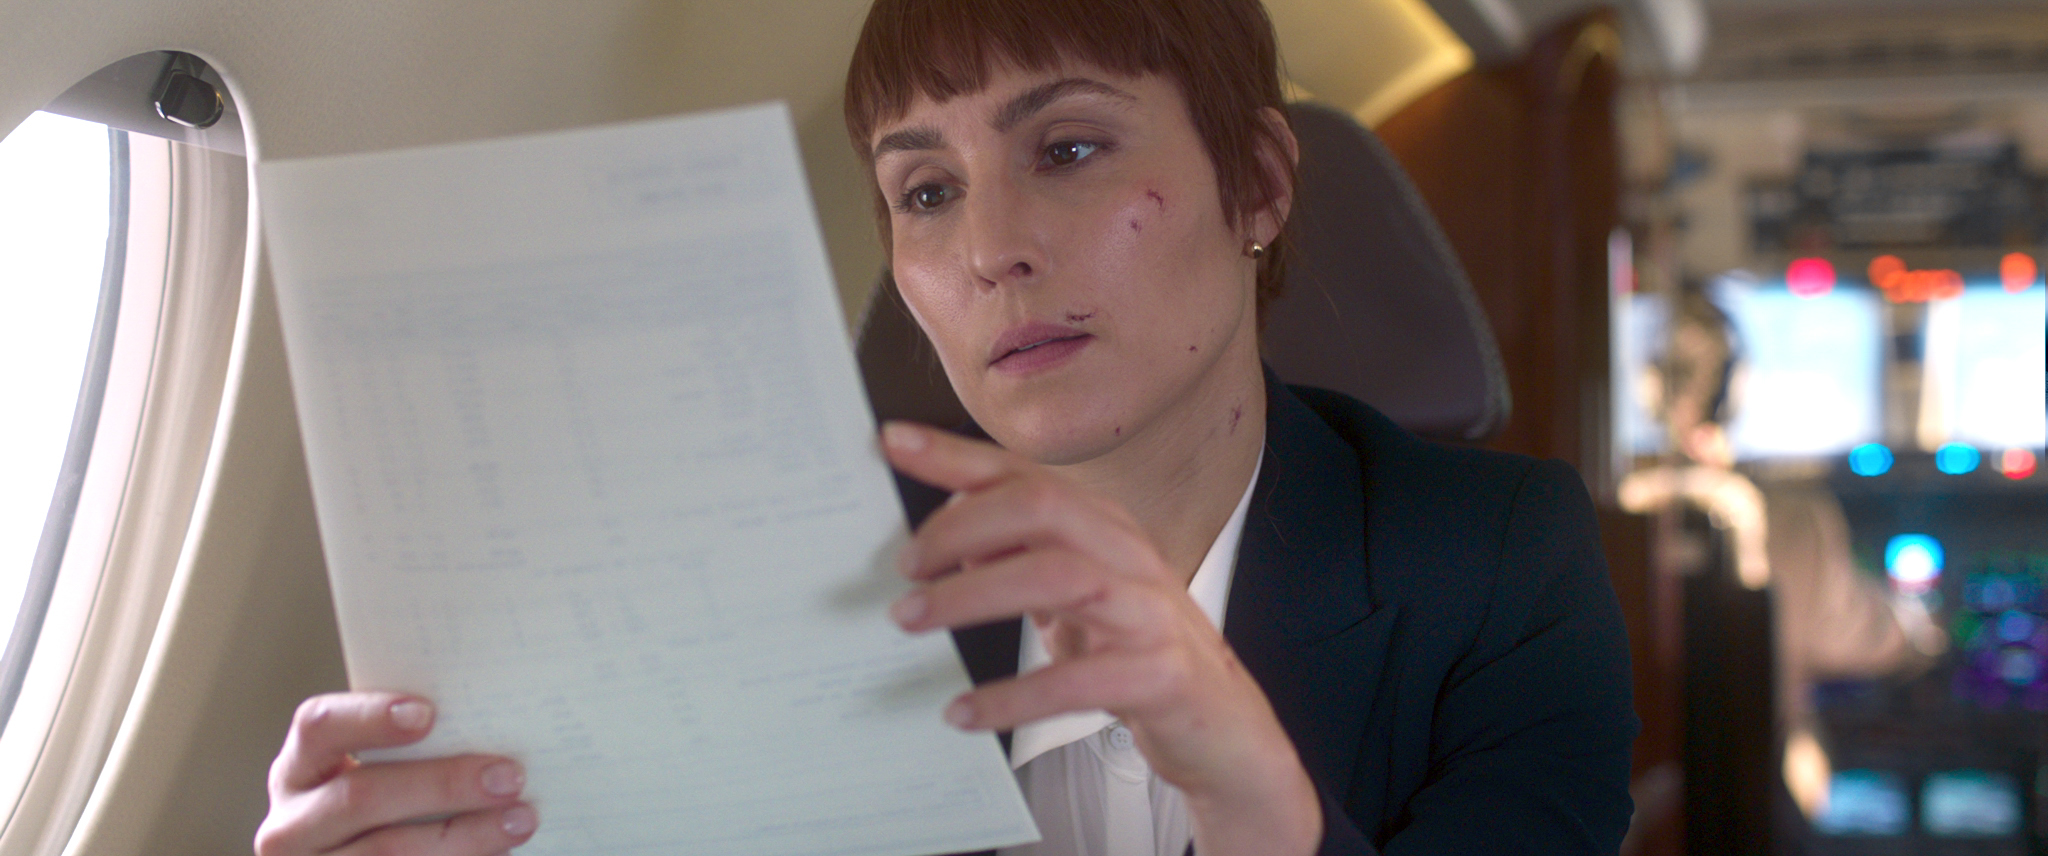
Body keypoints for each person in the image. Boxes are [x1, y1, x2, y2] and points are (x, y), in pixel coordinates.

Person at [255, 1, 1638, 854]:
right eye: (925, 192)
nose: (988, 250)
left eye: (1069, 149)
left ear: (1260, 185)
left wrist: (1258, 814)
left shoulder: (1502, 566)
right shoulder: (789, 592)